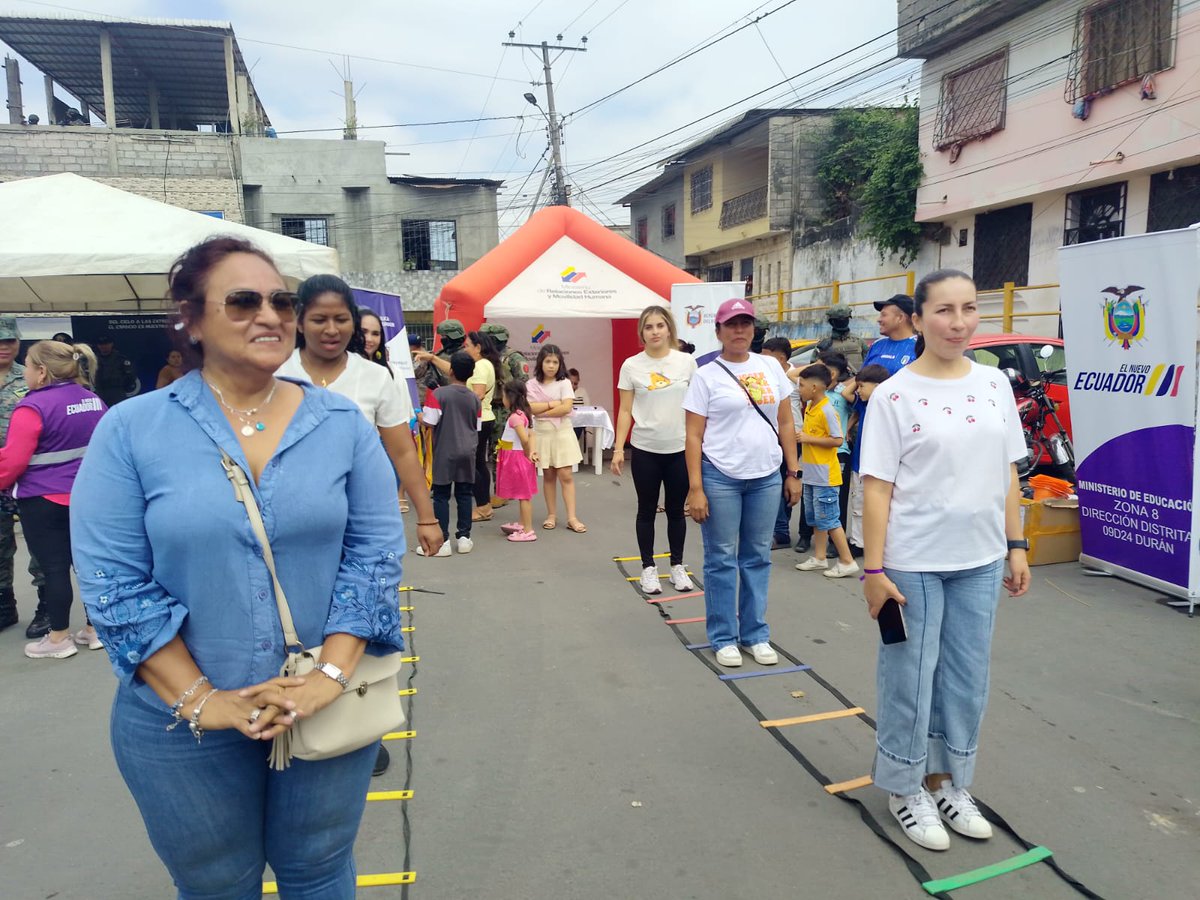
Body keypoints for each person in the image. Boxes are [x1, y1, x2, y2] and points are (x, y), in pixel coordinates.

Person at [71, 236, 408, 896]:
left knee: (317, 869)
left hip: (324, 703)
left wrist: (329, 676)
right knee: (216, 882)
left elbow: (373, 557)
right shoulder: (132, 429)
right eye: (244, 300)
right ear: (191, 319)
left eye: (282, 300)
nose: (272, 315)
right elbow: (111, 580)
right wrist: (205, 700)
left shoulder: (341, 424)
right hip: (178, 723)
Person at [860, 268, 1031, 852]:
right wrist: (874, 571)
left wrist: (1016, 544)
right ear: (919, 318)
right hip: (912, 562)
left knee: (965, 679)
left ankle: (948, 780)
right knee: (909, 676)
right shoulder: (894, 393)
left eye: (968, 309)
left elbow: (1007, 469)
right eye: (944, 311)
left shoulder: (993, 385)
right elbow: (877, 486)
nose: (958, 323)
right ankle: (905, 787)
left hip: (981, 559)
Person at [274, 274, 435, 551]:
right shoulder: (277, 372)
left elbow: (403, 451)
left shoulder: (376, 376)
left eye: (341, 319)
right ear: (299, 322)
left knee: (363, 591)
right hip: (290, 515)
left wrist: (427, 518)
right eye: (319, 319)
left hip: (363, 514)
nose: (332, 329)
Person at [683, 298, 801, 668]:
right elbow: (692, 436)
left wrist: (793, 472)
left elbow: (785, 423)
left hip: (766, 476)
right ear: (718, 331)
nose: (739, 330)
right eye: (731, 324)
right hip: (721, 476)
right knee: (721, 558)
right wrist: (696, 487)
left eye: (745, 323)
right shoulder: (706, 375)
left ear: (754, 329)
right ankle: (723, 636)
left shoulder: (769, 366)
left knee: (757, 557)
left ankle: (755, 634)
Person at [0, 341, 105, 658]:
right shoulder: (92, 401)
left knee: (55, 568)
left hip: (43, 501)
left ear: (42, 372)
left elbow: (13, 461)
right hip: (89, 497)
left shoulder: (33, 407)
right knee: (89, 566)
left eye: (29, 366)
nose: (26, 371)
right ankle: (95, 629)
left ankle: (58, 639)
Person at [612, 306, 698, 594]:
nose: (655, 331)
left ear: (669, 329)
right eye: (649, 327)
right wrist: (617, 448)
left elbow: (698, 409)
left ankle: (677, 567)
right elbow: (625, 410)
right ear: (642, 333)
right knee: (646, 509)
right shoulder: (631, 365)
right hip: (645, 448)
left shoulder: (686, 362)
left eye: (660, 325)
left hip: (680, 448)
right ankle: (648, 568)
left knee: (676, 510)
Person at [0, 317, 46, 637]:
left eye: (9, 341)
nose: (4, 346)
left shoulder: (32, 376)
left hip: (31, 475)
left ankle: (47, 607)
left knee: (41, 546)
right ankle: (5, 605)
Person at [793, 364, 858, 579]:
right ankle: (820, 557)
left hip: (825, 476)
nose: (798, 388)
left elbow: (837, 439)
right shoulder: (811, 405)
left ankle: (847, 561)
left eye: (801, 385)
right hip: (812, 473)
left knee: (830, 519)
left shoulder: (827, 409)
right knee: (817, 519)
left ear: (814, 387)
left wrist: (807, 438)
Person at [418, 351, 481, 556]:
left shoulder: (439, 395)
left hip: (445, 450)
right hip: (468, 450)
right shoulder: (474, 398)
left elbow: (429, 421)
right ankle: (464, 537)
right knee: (464, 494)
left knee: (442, 495)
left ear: (451, 370)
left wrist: (418, 414)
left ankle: (443, 540)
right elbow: (476, 426)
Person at [527, 344, 586, 532]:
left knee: (565, 474)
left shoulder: (565, 383)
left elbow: (567, 408)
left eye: (555, 362)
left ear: (560, 364)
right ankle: (551, 515)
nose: (551, 366)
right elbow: (531, 409)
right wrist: (554, 404)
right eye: (547, 361)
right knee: (549, 475)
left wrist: (543, 409)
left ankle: (572, 517)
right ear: (540, 362)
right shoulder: (531, 385)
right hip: (542, 433)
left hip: (563, 432)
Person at [760, 337, 802, 552]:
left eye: (766, 356)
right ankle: (776, 530)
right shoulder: (764, 375)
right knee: (774, 484)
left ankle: (782, 532)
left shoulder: (796, 376)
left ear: (781, 358)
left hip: (793, 436)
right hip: (771, 435)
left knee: (787, 482)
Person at [845, 364, 890, 553]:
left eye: (863, 386)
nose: (859, 390)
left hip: (879, 464)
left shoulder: (889, 406)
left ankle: (869, 542)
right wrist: (859, 381)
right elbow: (846, 393)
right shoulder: (864, 404)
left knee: (876, 506)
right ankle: (857, 541)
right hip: (860, 461)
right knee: (858, 503)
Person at [495, 380, 540, 543]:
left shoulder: (515, 417)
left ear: (510, 397)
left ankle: (528, 530)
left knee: (523, 495)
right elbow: (532, 435)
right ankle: (522, 524)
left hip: (515, 458)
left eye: (504, 396)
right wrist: (532, 452)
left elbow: (524, 438)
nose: (503, 399)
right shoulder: (525, 413)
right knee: (523, 494)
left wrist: (528, 452)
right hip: (519, 457)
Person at [817, 351, 854, 545]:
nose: (827, 375)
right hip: (815, 451)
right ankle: (806, 536)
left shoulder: (843, 392)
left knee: (837, 497)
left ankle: (835, 541)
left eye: (830, 371)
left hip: (839, 453)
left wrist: (847, 428)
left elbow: (857, 410)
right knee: (813, 495)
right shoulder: (816, 390)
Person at [816, 304, 869, 371]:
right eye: (838, 320)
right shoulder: (823, 345)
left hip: (857, 380)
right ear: (831, 322)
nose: (842, 322)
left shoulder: (859, 341)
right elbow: (815, 369)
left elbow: (869, 364)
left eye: (844, 319)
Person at [92, 334, 139, 407]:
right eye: (101, 344)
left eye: (106, 344)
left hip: (117, 392)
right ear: (98, 346)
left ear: (111, 344)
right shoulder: (93, 360)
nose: (104, 346)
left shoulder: (121, 359)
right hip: (100, 392)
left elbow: (131, 377)